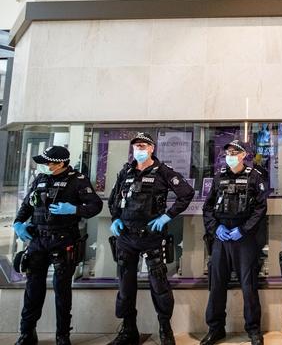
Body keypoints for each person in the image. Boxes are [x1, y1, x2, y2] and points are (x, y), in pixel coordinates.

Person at [107, 132, 195, 345]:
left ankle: (165, 330)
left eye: (143, 146)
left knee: (159, 286)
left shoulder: (163, 172)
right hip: (126, 236)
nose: (139, 149)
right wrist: (115, 218)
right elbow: (114, 198)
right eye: (136, 146)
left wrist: (167, 216)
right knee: (125, 287)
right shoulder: (126, 171)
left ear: (152, 148)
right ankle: (128, 331)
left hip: (151, 237)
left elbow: (186, 194)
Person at [13, 146, 103, 345]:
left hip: (63, 241)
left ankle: (62, 335)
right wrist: (18, 223)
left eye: (48, 163)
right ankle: (27, 332)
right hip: (37, 241)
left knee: (62, 291)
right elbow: (27, 204)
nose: (45, 166)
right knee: (33, 289)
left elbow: (95, 205)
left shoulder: (77, 180)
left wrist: (74, 209)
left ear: (61, 163)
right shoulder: (40, 179)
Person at [201, 140, 268, 345]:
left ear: (242, 155)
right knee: (217, 285)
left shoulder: (255, 177)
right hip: (222, 237)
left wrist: (244, 229)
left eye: (234, 152)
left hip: (243, 238)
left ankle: (254, 330)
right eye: (228, 152)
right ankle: (215, 328)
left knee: (249, 286)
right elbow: (208, 208)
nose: (230, 155)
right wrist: (215, 228)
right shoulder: (219, 176)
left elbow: (260, 209)